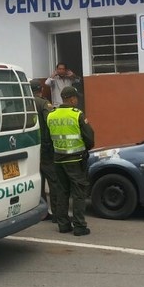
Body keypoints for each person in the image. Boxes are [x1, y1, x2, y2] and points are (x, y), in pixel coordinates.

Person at [46, 85, 94, 237]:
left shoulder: (51, 115)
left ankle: (63, 225)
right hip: (76, 159)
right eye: (76, 98)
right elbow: (89, 138)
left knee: (62, 192)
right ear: (72, 98)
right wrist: (85, 148)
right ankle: (79, 226)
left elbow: (48, 138)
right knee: (79, 193)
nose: (77, 100)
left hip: (58, 159)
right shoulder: (76, 114)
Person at [31, 80, 58, 221]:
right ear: (41, 89)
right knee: (53, 180)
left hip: (31, 147)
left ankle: (41, 211)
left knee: (38, 180)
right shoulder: (43, 103)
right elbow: (50, 122)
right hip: (46, 147)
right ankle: (57, 212)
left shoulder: (26, 102)